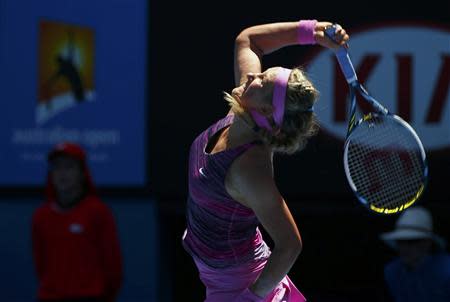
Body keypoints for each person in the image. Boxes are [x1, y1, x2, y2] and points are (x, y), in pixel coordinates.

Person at [182, 20, 349, 301]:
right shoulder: (244, 111)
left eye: (261, 80)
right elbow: (249, 40)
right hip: (223, 270)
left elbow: (290, 243)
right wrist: (312, 31)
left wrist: (253, 297)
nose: (251, 77)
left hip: (237, 285)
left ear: (268, 111)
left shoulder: (250, 169)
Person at [32, 142, 123, 302]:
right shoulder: (41, 216)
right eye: (57, 167)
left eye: (69, 167)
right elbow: (41, 265)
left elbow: (113, 267)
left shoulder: (98, 212)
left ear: (82, 173)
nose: (62, 174)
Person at [380, 206, 450, 302]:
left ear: (427, 243)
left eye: (411, 241)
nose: (404, 247)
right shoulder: (392, 272)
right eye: (400, 241)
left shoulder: (446, 270)